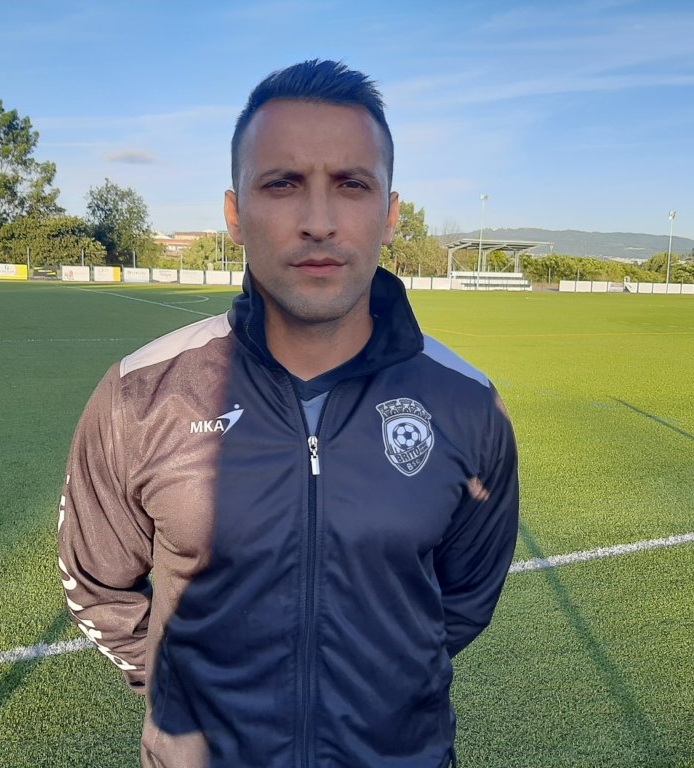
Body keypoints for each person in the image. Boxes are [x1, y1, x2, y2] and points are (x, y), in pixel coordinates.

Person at [58, 59, 519, 768]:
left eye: (352, 185)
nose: (318, 222)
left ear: (390, 214)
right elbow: (96, 582)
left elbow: (463, 598)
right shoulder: (140, 393)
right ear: (234, 214)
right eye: (282, 184)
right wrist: (186, 694)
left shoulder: (466, 402)